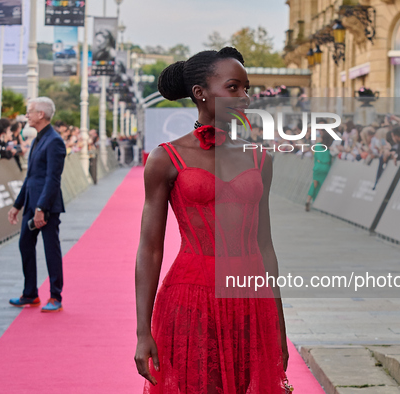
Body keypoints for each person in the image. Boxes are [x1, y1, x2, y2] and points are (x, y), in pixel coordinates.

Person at [134, 47, 290, 393]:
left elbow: (265, 245)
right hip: (191, 300)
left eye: (246, 88)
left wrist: (279, 324)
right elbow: (150, 249)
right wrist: (143, 331)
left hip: (251, 299)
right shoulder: (165, 158)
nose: (245, 98)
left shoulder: (260, 158)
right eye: (233, 87)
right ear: (200, 93)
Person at [7, 97, 67, 312]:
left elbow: (53, 178)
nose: (27, 115)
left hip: (47, 206)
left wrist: (42, 208)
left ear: (41, 114)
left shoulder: (55, 141)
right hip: (32, 203)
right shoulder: (37, 140)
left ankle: (55, 295)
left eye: (30, 111)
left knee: (51, 249)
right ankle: (30, 293)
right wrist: (17, 205)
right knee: (25, 244)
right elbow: (31, 177)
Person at [305, 130, 333, 211]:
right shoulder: (329, 147)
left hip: (317, 166)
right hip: (326, 167)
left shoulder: (317, 146)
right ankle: (316, 203)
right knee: (321, 186)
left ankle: (308, 200)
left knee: (314, 184)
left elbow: (315, 157)